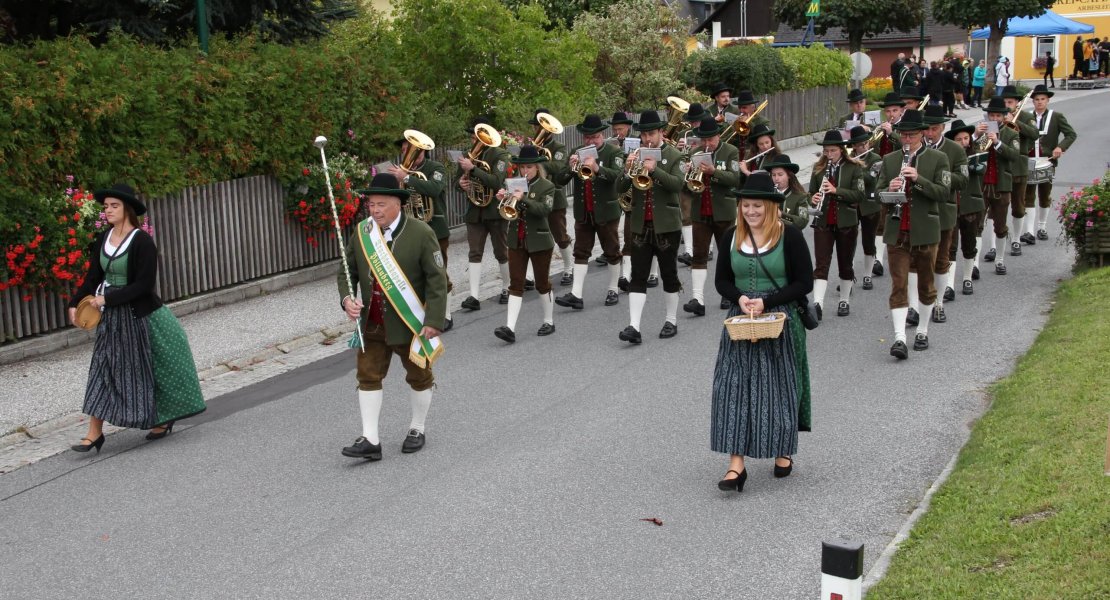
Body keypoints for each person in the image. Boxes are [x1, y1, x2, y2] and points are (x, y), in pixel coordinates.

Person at [68, 184, 206, 453]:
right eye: (106, 206)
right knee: (102, 369)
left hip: (139, 315)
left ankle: (161, 418)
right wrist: (74, 303)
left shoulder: (142, 241)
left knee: (150, 369)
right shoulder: (103, 238)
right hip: (110, 321)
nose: (107, 210)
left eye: (114, 206)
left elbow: (143, 285)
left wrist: (107, 299)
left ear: (127, 209)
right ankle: (94, 432)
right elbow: (93, 278)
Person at [711, 170, 813, 492]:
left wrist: (767, 301)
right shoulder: (731, 237)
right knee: (732, 390)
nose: (750, 212)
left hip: (781, 320)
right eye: (745, 206)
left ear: (770, 206)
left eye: (757, 206)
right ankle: (735, 466)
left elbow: (803, 283)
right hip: (740, 320)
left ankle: (782, 449)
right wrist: (740, 298)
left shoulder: (790, 235)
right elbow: (722, 281)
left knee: (777, 389)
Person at [339, 173, 447, 460]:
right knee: (368, 375)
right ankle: (370, 439)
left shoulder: (421, 233)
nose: (374, 210)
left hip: (409, 322)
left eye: (381, 204)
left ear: (398, 203)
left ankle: (417, 427)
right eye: (371, 204)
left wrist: (434, 320)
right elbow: (346, 270)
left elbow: (437, 280)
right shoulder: (363, 232)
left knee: (419, 375)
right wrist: (347, 299)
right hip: (372, 320)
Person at [875, 109, 951, 358]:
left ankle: (922, 330)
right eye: (903, 135)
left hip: (926, 230)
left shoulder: (938, 159)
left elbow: (943, 193)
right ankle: (899, 338)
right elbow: (877, 194)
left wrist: (918, 179)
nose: (906, 139)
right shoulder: (889, 160)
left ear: (921, 134)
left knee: (926, 285)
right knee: (899, 284)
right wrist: (890, 187)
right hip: (897, 231)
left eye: (911, 135)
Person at [616, 109, 685, 344]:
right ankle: (633, 326)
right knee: (638, 275)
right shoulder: (634, 154)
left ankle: (671, 320)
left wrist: (655, 169)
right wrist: (627, 170)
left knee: (668, 274)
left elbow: (678, 185)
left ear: (661, 133)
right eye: (645, 134)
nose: (647, 138)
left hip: (666, 225)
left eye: (652, 133)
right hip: (640, 224)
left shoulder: (674, 155)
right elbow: (618, 188)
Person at [552, 114, 625, 310]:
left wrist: (596, 167)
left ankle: (612, 289)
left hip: (606, 211)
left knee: (611, 251)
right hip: (583, 211)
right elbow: (559, 180)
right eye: (587, 137)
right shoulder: (577, 151)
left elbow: (618, 177)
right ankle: (576, 294)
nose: (590, 141)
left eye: (594, 137)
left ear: (602, 135)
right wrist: (570, 167)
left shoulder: (613, 152)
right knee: (581, 252)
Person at [493, 145, 557, 343]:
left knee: (542, 283)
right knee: (516, 283)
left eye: (529, 167)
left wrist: (524, 199)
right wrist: (504, 199)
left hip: (539, 239)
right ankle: (510, 328)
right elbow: (508, 213)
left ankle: (548, 320)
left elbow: (544, 210)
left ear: (537, 167)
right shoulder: (513, 184)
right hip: (516, 240)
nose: (525, 171)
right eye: (522, 168)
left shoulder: (546, 186)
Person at [391, 134, 452, 331]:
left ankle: (446, 315)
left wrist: (407, 178)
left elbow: (434, 189)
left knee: (439, 272)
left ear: (422, 150)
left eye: (409, 149)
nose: (405, 154)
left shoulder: (435, 168)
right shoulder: (399, 172)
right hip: (409, 230)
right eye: (403, 150)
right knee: (414, 273)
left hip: (435, 228)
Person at [682, 117, 741, 316]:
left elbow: (735, 178)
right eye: (703, 140)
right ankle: (698, 299)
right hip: (700, 212)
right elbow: (686, 188)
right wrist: (688, 175)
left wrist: (714, 172)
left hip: (723, 211)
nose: (707, 144)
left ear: (718, 136)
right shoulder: (694, 153)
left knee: (727, 255)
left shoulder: (730, 151)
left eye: (710, 140)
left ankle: (729, 294)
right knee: (698, 255)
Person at [808, 130, 867, 318]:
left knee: (845, 263)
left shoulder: (854, 168)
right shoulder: (818, 169)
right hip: (823, 221)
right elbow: (809, 194)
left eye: (833, 150)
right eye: (826, 151)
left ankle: (844, 300)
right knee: (821, 263)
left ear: (841, 150)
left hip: (846, 222)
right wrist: (813, 198)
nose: (829, 155)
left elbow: (859, 195)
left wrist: (836, 190)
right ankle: (818, 304)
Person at [457, 116, 512, 310]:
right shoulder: (468, 154)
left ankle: (507, 287)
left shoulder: (500, 155)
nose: (474, 141)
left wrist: (473, 169)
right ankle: (473, 296)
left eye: (477, 137)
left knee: (501, 251)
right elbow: (459, 181)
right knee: (474, 253)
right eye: (473, 137)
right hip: (475, 212)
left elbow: (496, 181)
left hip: (494, 211)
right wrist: (461, 184)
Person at [922, 105, 968, 324]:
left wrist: (941, 175)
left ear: (942, 127)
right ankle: (918, 305)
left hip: (945, 210)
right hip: (920, 211)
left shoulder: (955, 149)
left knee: (941, 260)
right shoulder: (916, 149)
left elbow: (964, 179)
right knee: (919, 261)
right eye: (927, 130)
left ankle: (938, 303)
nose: (930, 134)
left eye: (934, 129)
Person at [1024, 84, 1078, 241]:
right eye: (1037, 99)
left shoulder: (1056, 116)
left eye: (1043, 99)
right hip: (1029, 160)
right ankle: (1029, 232)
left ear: (1048, 100)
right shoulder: (1026, 117)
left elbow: (1071, 134)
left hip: (1047, 161)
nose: (1040, 102)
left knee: (1044, 195)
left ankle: (1042, 227)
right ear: (1033, 101)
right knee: (1028, 196)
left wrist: (1060, 147)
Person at [528, 108, 574, 288]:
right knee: (534, 236)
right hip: (534, 197)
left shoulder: (558, 148)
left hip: (554, 197)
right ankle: (533, 275)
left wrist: (538, 161)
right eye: (536, 127)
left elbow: (558, 167)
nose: (537, 130)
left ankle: (569, 268)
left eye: (540, 127)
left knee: (559, 235)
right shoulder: (530, 147)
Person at [976, 97, 1022, 276]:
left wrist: (997, 143)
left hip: (1001, 185)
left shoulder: (1011, 133)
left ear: (1003, 117)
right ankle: (973, 264)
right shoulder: (981, 131)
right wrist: (976, 136)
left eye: (997, 115)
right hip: (981, 185)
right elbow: (971, 152)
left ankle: (1000, 260)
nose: (994, 119)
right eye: (991, 115)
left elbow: (1014, 156)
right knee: (977, 225)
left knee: (1000, 226)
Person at [945, 120, 987, 296]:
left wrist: (972, 164)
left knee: (969, 244)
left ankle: (967, 279)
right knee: (950, 247)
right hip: (952, 206)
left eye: (966, 138)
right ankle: (949, 285)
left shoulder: (976, 152)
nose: (963, 142)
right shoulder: (946, 156)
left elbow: (981, 169)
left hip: (970, 205)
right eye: (959, 139)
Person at [847, 126, 883, 291]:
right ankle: (849, 275)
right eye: (860, 145)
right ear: (854, 146)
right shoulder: (847, 158)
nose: (864, 147)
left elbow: (870, 178)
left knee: (869, 241)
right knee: (849, 242)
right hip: (852, 205)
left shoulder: (876, 158)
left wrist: (856, 167)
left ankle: (867, 276)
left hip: (870, 205)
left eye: (866, 143)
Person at [766, 154, 810, 230]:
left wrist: (781, 215)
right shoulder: (766, 194)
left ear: (789, 175)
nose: (776, 178)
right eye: (773, 175)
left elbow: (803, 221)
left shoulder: (800, 196)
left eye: (780, 174)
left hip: (791, 237)